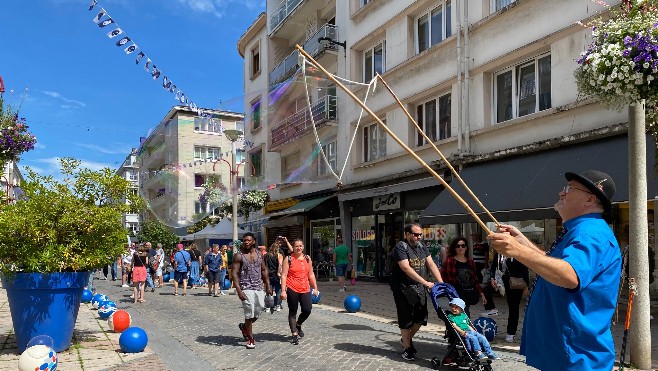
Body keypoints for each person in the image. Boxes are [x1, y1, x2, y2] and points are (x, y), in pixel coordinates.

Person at [488, 170, 621, 370]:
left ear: (590, 199)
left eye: (569, 188)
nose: (561, 193)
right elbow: (552, 263)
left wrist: (517, 250)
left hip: (576, 356)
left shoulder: (590, 233)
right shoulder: (579, 230)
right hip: (565, 352)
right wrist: (521, 242)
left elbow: (569, 275)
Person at [390, 223, 443, 361]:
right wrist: (425, 282)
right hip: (403, 287)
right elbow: (406, 268)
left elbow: (431, 264)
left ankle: (405, 339)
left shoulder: (422, 246)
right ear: (407, 234)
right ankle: (407, 348)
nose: (418, 237)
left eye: (420, 234)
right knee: (406, 318)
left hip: (418, 287)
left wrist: (441, 282)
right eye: (415, 234)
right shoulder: (400, 247)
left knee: (421, 318)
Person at [233, 232, 272, 349]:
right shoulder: (238, 255)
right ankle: (251, 339)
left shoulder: (259, 254)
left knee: (258, 312)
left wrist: (268, 286)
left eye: (249, 240)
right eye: (244, 240)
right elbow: (234, 274)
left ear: (253, 241)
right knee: (249, 313)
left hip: (258, 287)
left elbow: (264, 270)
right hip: (246, 288)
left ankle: (244, 327)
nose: (246, 242)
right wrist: (239, 291)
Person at [281, 238, 319, 345]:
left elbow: (311, 274)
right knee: (293, 311)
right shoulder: (288, 259)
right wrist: (283, 290)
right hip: (292, 288)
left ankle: (298, 324)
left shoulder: (307, 258)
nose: (299, 248)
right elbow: (284, 275)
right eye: (296, 246)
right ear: (293, 247)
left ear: (303, 247)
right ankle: (294, 334)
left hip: (305, 288)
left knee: (307, 309)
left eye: (300, 246)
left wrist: (315, 288)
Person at [489, 251, 529, 343]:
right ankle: (491, 308)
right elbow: (494, 266)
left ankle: (511, 332)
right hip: (501, 282)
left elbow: (524, 269)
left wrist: (526, 286)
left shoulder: (516, 252)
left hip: (515, 283)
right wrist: (492, 278)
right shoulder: (499, 253)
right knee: (486, 290)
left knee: (513, 307)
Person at [442, 237, 486, 317]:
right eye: (458, 246)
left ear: (466, 248)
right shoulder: (450, 261)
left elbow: (475, 279)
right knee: (462, 313)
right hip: (456, 293)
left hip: (468, 292)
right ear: (454, 248)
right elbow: (445, 279)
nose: (460, 248)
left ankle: (458, 329)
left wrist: (481, 293)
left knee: (464, 313)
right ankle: (459, 329)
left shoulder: (470, 262)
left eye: (463, 246)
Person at [472, 233, 498, 317]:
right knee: (480, 282)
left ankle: (491, 308)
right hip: (475, 263)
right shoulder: (474, 244)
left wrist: (486, 264)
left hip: (482, 264)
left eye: (474, 236)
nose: (473, 238)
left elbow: (487, 254)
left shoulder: (484, 244)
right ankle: (490, 307)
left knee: (484, 284)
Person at [264, 240, 283, 313]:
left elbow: (264, 266)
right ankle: (277, 305)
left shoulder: (266, 255)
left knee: (269, 291)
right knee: (278, 290)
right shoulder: (279, 255)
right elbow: (280, 264)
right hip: (276, 275)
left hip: (268, 275)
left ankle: (268, 306)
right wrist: (279, 272)